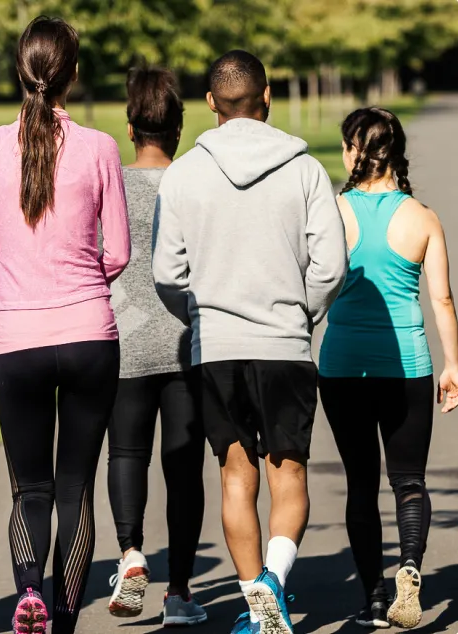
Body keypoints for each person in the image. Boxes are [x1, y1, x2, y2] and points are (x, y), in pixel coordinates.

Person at [152, 50, 348, 634]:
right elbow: (331, 266)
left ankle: (254, 604)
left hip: (215, 345)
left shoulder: (183, 174)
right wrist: (299, 313)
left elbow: (167, 273)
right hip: (284, 343)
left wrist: (199, 313)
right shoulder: (306, 170)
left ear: (210, 103)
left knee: (236, 477)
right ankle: (273, 582)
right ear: (266, 97)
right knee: (289, 475)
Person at [0, 17, 130, 634]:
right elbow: (119, 253)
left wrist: (15, 279)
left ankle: (28, 590)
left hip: (17, 337)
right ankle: (62, 620)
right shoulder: (101, 148)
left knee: (28, 486)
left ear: (19, 71)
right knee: (75, 489)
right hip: (90, 332)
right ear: (74, 75)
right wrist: (77, 280)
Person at [318, 107, 458, 630]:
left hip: (342, 367)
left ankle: (374, 598)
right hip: (407, 367)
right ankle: (410, 568)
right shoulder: (423, 217)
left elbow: (315, 287)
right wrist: (454, 365)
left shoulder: (332, 212)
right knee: (409, 482)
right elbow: (441, 300)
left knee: (360, 482)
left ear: (356, 151)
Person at [105, 65, 207, 627]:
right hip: (186, 338)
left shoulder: (111, 182)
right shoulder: (193, 180)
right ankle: (181, 592)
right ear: (178, 126)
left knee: (127, 454)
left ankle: (131, 553)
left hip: (124, 337)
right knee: (184, 467)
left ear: (130, 127)